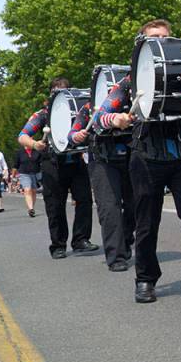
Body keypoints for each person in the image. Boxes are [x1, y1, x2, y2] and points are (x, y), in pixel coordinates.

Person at [92, 19, 181, 304]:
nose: (161, 42)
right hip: (146, 157)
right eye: (154, 38)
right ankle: (146, 280)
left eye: (165, 37)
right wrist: (118, 119)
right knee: (147, 222)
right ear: (142, 45)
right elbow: (98, 118)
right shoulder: (129, 83)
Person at [19, 80, 99, 258]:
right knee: (55, 206)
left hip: (76, 162)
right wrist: (34, 144)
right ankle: (58, 244)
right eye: (56, 93)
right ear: (50, 96)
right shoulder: (42, 114)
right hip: (52, 164)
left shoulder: (79, 111)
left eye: (64, 92)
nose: (60, 95)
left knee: (84, 200)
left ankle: (80, 240)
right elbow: (22, 135)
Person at [68, 100, 136, 272]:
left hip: (132, 156)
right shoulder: (89, 107)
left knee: (135, 204)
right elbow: (72, 133)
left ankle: (125, 240)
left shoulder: (134, 99)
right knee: (109, 207)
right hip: (102, 159)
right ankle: (116, 256)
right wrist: (76, 136)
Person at [13, 137, 43, 217]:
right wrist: (13, 176)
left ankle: (32, 208)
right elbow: (16, 165)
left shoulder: (37, 151)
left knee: (33, 191)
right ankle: (30, 209)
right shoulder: (19, 152)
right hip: (24, 173)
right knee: (27, 189)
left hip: (35, 173)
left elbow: (41, 162)